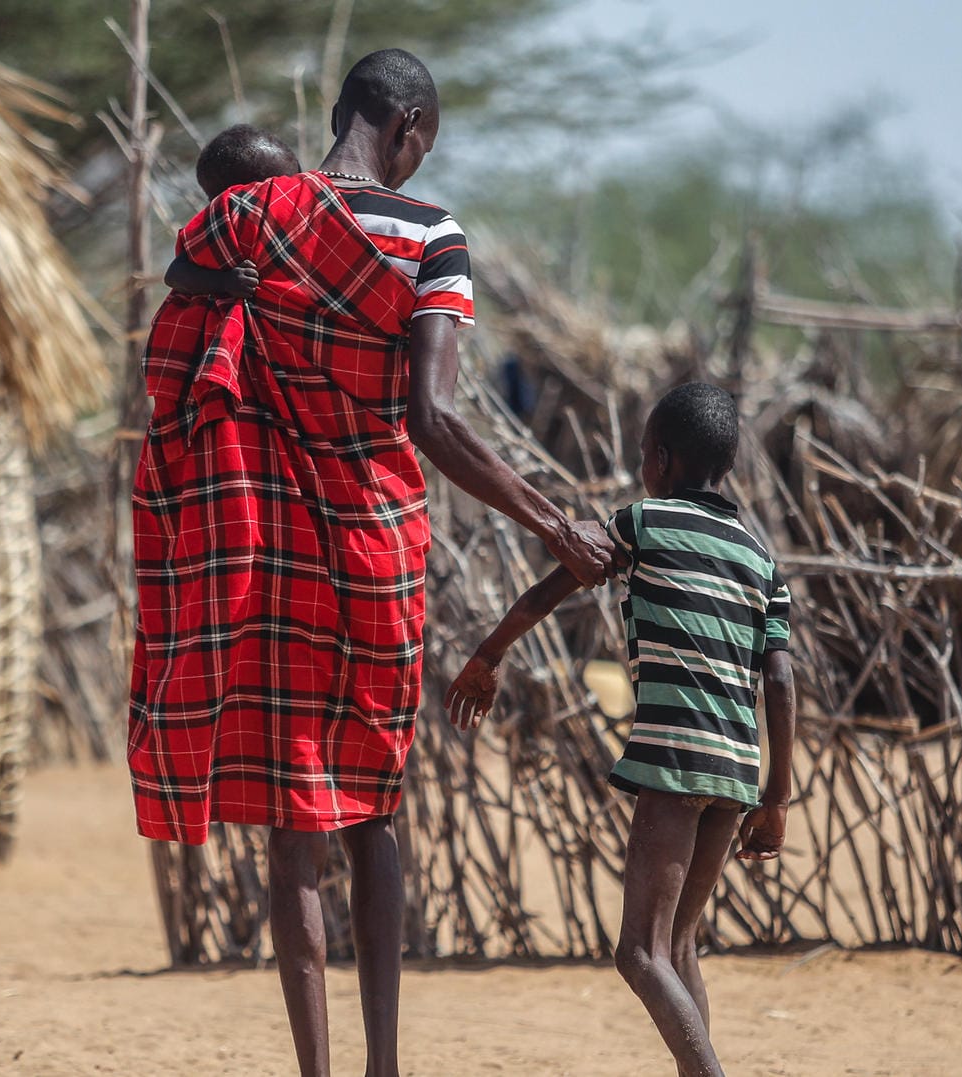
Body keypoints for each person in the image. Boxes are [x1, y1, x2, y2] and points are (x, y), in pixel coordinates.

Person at [128, 48, 616, 1077]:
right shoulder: (430, 233)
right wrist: (551, 522)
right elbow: (432, 418)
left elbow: (181, 288)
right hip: (373, 549)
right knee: (374, 811)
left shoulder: (249, 213)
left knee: (293, 828)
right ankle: (383, 1067)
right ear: (409, 131)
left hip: (271, 556)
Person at [445, 382, 797, 1077]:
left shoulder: (642, 523)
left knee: (638, 950)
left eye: (642, 454)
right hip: (733, 768)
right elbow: (780, 682)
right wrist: (776, 796)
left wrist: (487, 653)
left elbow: (552, 587)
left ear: (660, 459)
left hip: (673, 757)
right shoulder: (761, 562)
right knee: (680, 944)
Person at [164, 124, 301, 300]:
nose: (297, 192)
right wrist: (225, 281)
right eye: (282, 189)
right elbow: (175, 275)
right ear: (235, 203)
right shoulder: (216, 232)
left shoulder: (299, 225)